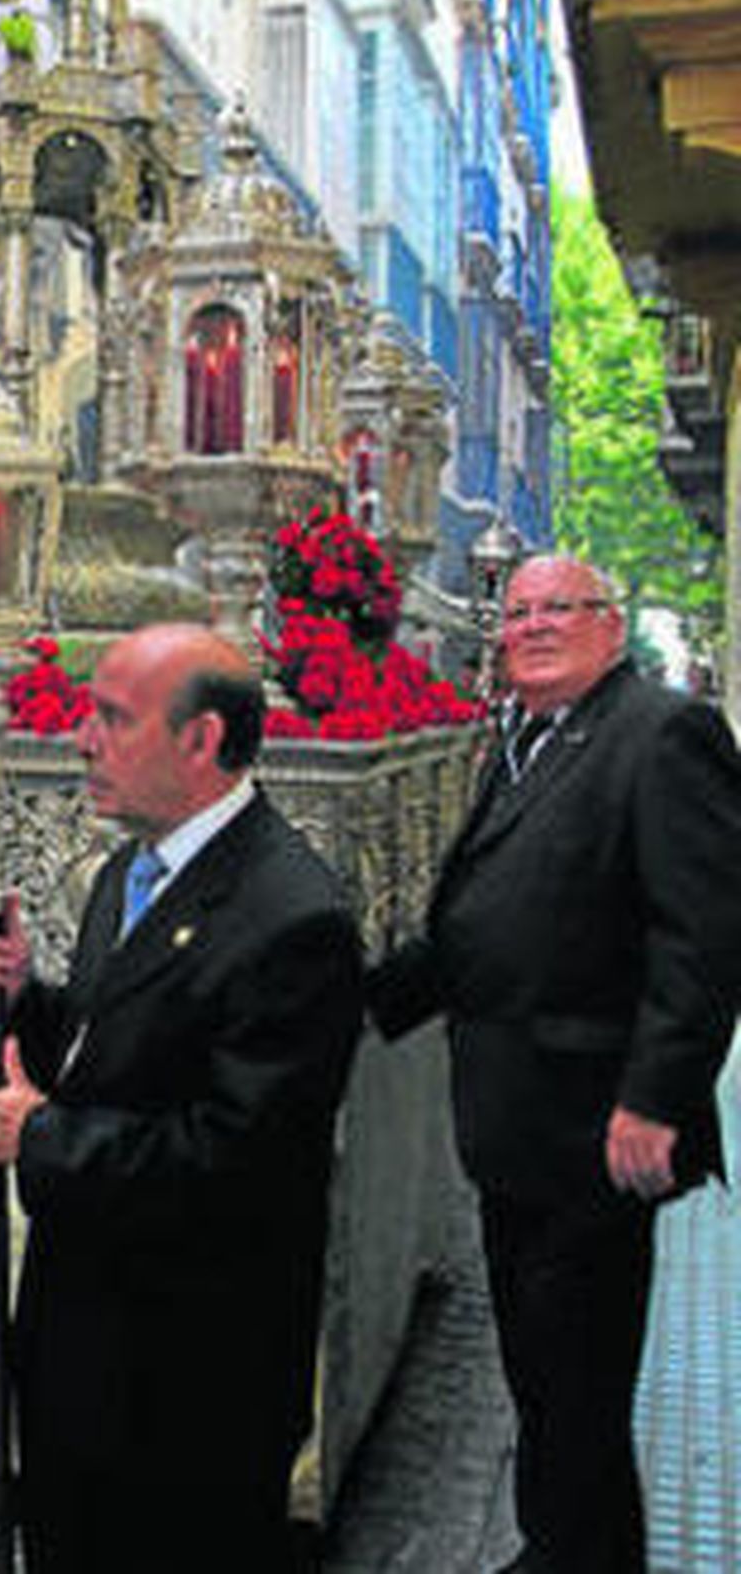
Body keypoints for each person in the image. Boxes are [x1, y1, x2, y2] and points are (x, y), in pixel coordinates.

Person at [0, 622, 363, 1572]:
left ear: (202, 740)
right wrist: (27, 999)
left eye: (113, 720)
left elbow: (237, 1161)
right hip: (90, 1351)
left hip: (190, 1379)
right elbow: (116, 1050)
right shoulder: (133, 870)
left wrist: (41, 1137)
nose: (83, 740)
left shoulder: (293, 918)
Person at [368, 554, 741, 1574]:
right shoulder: (528, 736)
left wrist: (655, 1100)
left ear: (610, 627)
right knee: (542, 1373)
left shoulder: (661, 735)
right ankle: (567, 1548)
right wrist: (358, 999)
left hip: (593, 1129)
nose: (531, 625)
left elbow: (703, 937)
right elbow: (482, 918)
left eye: (557, 610)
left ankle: (574, 1553)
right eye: (518, 611)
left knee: (576, 1378)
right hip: (513, 1124)